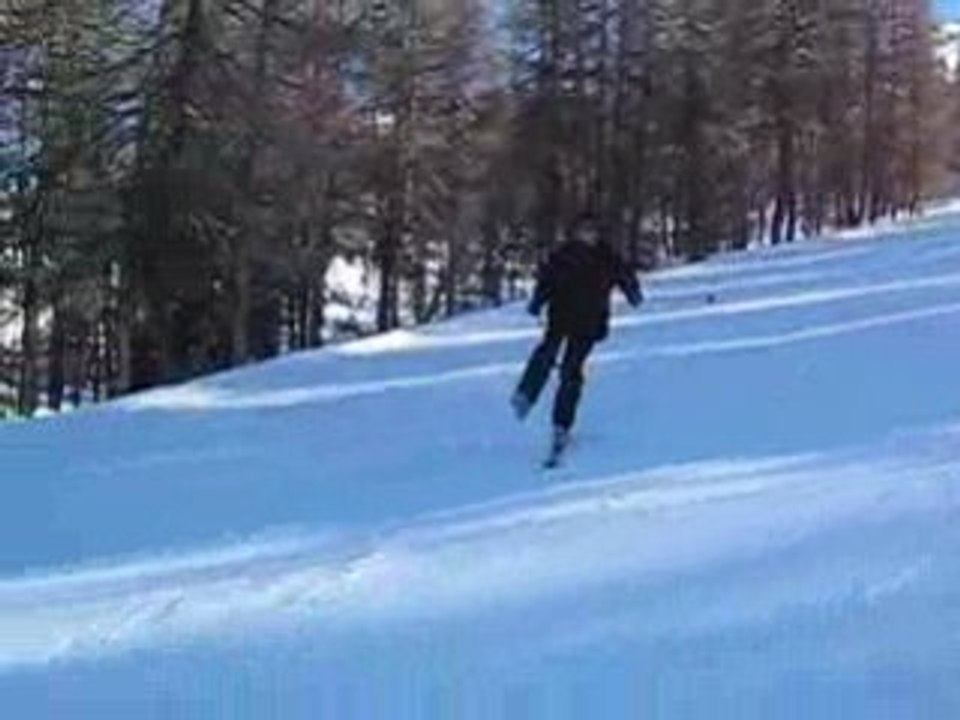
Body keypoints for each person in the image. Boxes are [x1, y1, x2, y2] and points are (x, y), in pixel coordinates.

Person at [511, 216, 643, 455]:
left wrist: (633, 293)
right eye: (584, 232)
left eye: (592, 233)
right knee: (546, 353)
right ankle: (526, 394)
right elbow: (546, 281)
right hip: (561, 317)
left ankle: (561, 425)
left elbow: (625, 276)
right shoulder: (564, 255)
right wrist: (537, 302)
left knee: (571, 371)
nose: (588, 237)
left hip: (589, 324)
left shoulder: (607, 257)